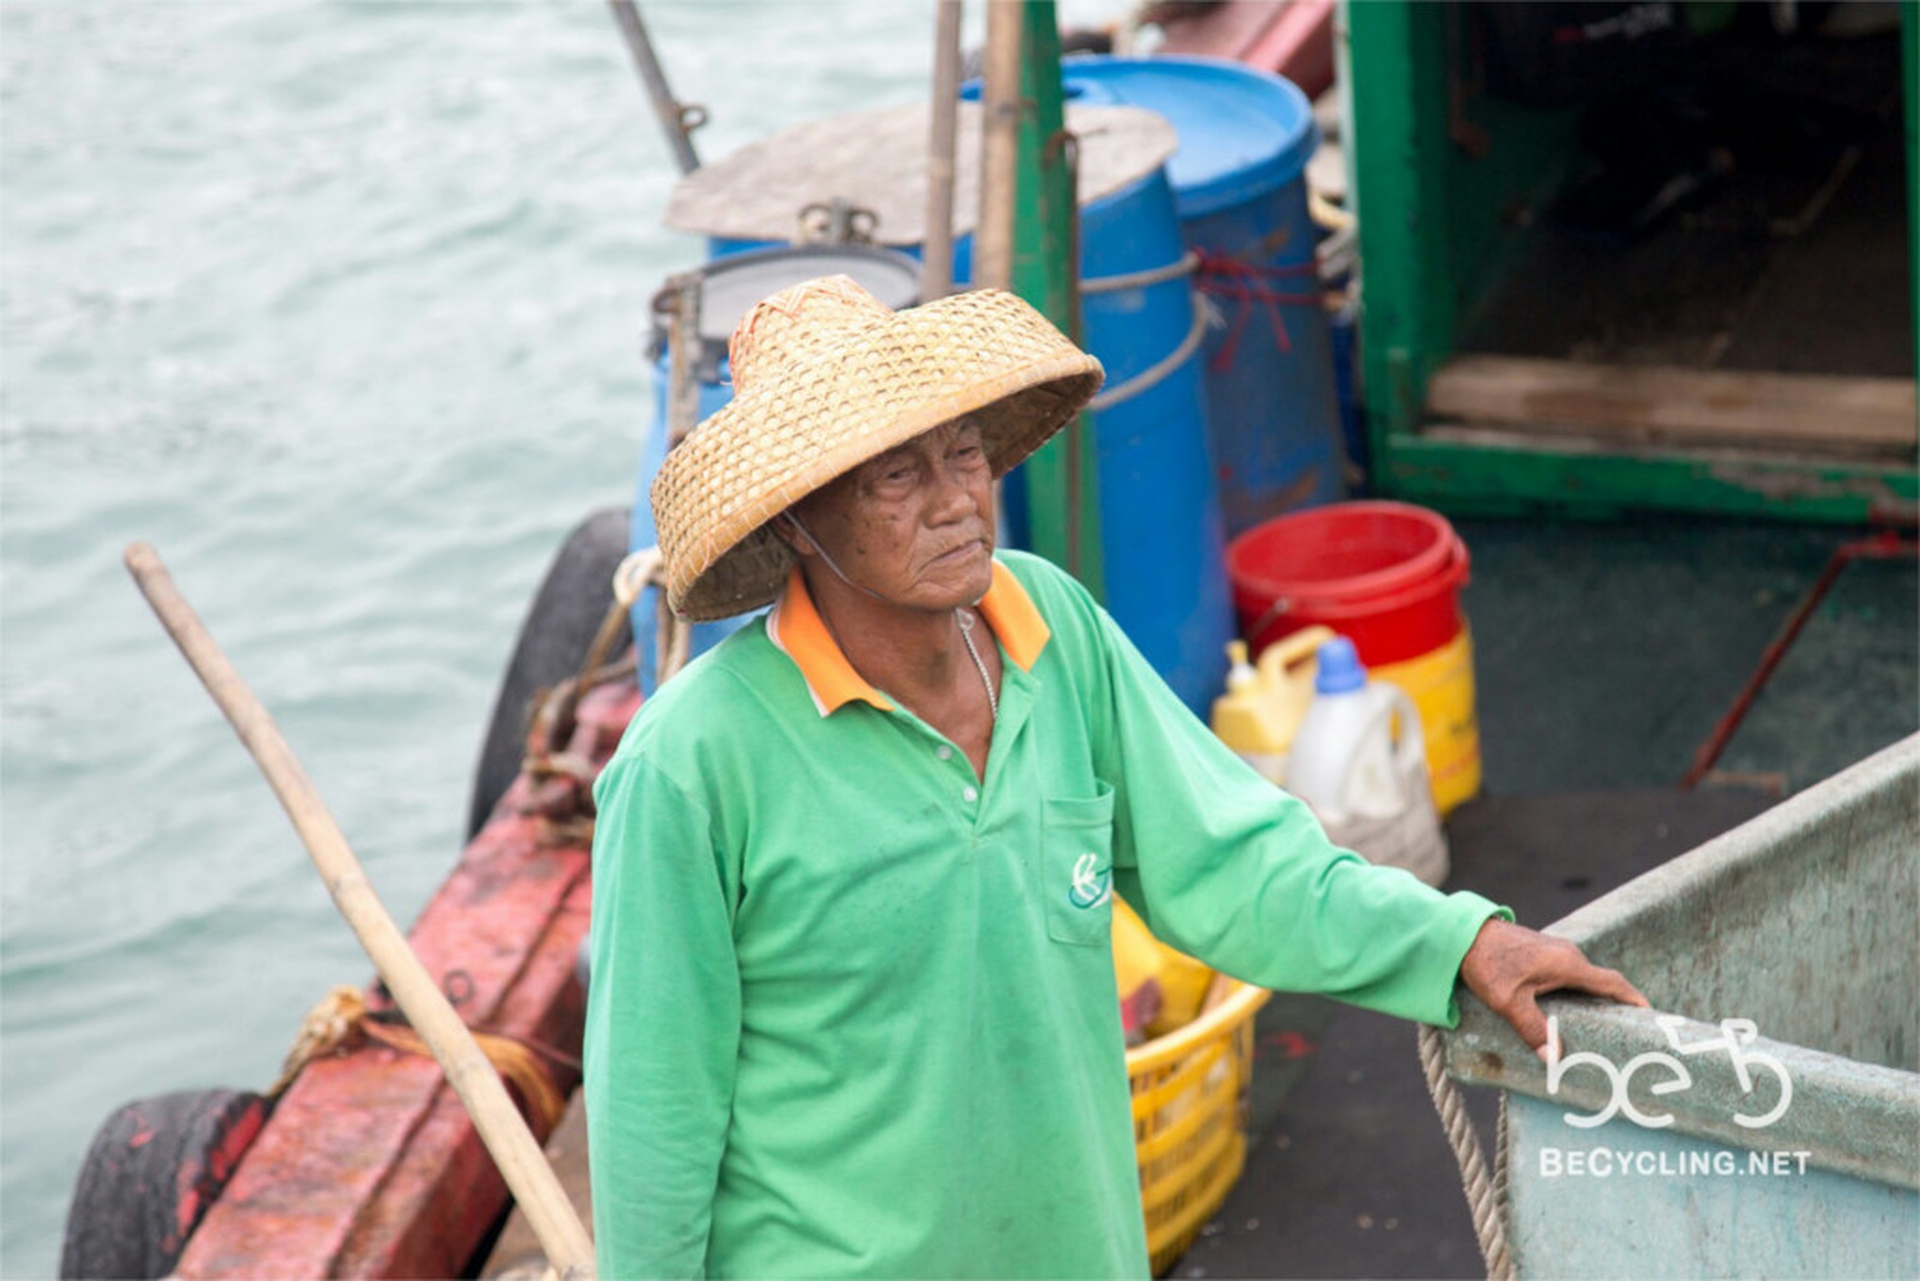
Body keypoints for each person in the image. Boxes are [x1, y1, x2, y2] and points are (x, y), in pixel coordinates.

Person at [584, 275, 1645, 1280]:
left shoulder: (1050, 624)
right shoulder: (691, 764)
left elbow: (1234, 863)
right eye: (896, 476)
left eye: (964, 452)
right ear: (795, 518)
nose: (957, 502)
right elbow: (654, 1121)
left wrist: (1459, 943)